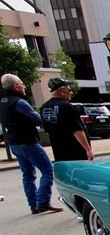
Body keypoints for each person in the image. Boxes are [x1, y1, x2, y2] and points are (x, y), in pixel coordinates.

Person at [0, 73, 63, 214]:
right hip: (27, 142)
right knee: (47, 170)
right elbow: (38, 120)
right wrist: (52, 125)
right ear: (16, 86)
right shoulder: (19, 103)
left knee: (27, 174)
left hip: (14, 144)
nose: (24, 86)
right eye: (22, 83)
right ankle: (43, 202)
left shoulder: (3, 102)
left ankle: (33, 205)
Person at [40, 77, 94, 162]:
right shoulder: (66, 106)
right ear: (61, 91)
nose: (71, 93)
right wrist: (88, 149)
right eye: (69, 90)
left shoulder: (44, 107)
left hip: (58, 151)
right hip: (75, 151)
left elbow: (47, 129)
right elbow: (77, 131)